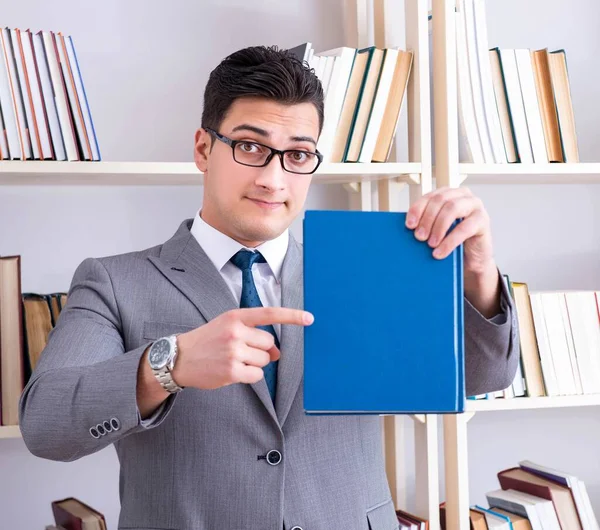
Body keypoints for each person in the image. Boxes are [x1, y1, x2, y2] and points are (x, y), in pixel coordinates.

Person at [19, 45, 519, 530]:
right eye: (251, 147)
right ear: (203, 149)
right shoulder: (114, 281)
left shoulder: (363, 271)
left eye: (298, 155)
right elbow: (46, 426)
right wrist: (171, 364)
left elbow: (485, 375)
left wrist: (477, 271)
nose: (273, 179)